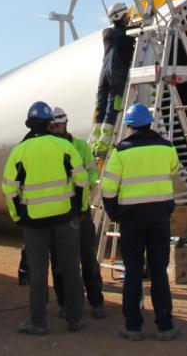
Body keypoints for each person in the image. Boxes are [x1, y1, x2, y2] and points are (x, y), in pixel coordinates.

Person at [1, 101, 87, 335]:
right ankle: (75, 319)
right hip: (65, 218)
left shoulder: (20, 151)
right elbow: (82, 181)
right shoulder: (64, 146)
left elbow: (9, 189)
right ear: (50, 123)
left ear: (29, 124)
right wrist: (79, 209)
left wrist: (18, 216)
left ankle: (38, 322)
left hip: (34, 222)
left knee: (38, 272)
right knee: (70, 268)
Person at [101, 103, 180, 342]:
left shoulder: (121, 151)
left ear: (130, 126)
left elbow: (108, 189)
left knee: (133, 272)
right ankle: (165, 325)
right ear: (149, 123)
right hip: (160, 218)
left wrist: (116, 214)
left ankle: (133, 326)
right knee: (159, 272)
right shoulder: (167, 147)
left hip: (132, 220)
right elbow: (174, 170)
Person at [47, 107, 106, 318]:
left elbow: (92, 171)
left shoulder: (80, 146)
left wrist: (83, 187)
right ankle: (65, 303)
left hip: (80, 212)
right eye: (52, 126)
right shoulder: (48, 148)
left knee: (88, 258)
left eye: (59, 125)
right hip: (58, 213)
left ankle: (96, 302)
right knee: (60, 262)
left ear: (66, 124)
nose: (56, 129)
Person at [91, 2, 135, 157]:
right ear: (123, 17)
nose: (128, 18)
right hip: (117, 73)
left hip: (103, 74)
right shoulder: (128, 38)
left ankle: (93, 142)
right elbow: (128, 38)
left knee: (100, 107)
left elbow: (117, 33)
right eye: (126, 15)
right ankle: (103, 145)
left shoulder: (106, 33)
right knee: (112, 107)